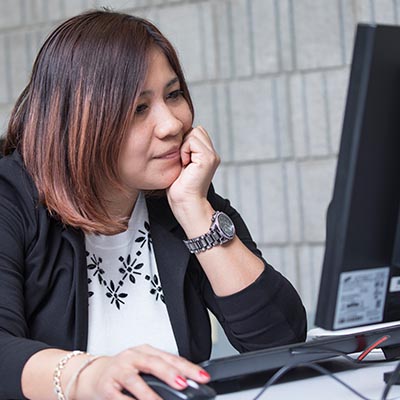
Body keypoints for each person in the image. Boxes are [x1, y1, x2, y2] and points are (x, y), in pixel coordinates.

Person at [0, 9, 306, 400]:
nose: (172, 125)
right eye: (139, 109)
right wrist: (88, 376)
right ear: (77, 121)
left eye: (173, 95)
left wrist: (196, 212)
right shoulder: (11, 197)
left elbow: (282, 344)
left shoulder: (179, 196)